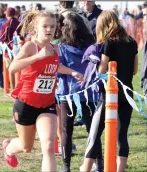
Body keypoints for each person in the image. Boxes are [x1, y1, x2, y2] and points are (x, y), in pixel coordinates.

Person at [2, 11, 83, 172]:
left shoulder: (55, 48)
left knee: (48, 146)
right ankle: (9, 148)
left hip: (47, 104)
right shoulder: (30, 46)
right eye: (45, 26)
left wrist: (71, 72)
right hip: (26, 104)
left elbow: (54, 66)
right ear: (36, 28)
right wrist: (37, 56)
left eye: (52, 26)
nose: (49, 29)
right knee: (26, 146)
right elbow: (13, 68)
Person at [81, 10, 138, 172]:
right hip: (127, 94)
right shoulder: (132, 42)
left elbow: (103, 69)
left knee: (95, 132)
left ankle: (85, 168)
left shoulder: (109, 43)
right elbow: (134, 70)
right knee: (122, 136)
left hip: (109, 95)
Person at [56, 12, 101, 172]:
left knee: (66, 131)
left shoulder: (60, 48)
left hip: (67, 94)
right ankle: (99, 164)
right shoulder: (93, 46)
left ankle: (66, 166)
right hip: (90, 93)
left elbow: (57, 71)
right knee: (93, 129)